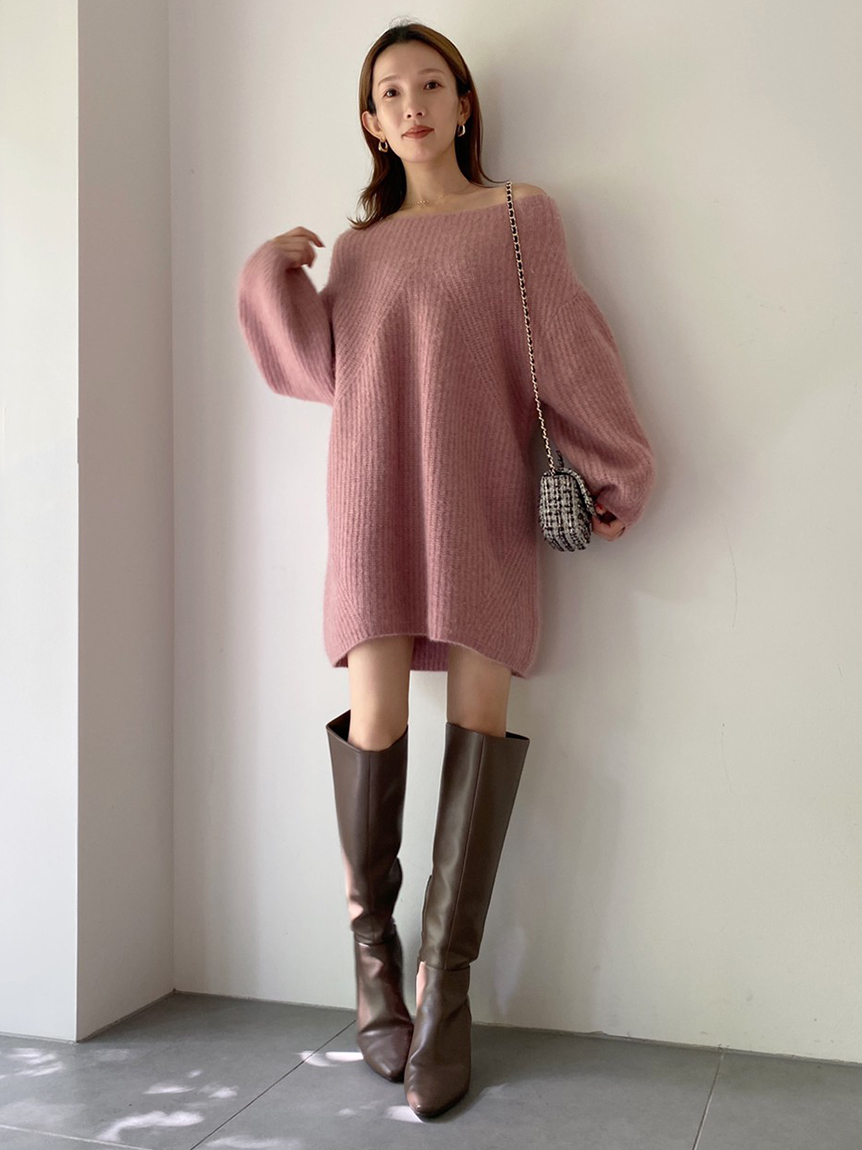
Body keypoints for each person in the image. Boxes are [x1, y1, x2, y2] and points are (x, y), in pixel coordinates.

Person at [236, 21, 657, 1120]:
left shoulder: (521, 218)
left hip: (479, 507)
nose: (413, 103)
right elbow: (317, 368)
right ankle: (373, 956)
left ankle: (445, 984)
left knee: (480, 714)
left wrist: (617, 468)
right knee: (375, 715)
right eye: (391, 91)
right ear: (371, 123)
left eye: (432, 84)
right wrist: (270, 273)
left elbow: (567, 348)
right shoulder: (361, 249)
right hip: (373, 503)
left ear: (464, 104)